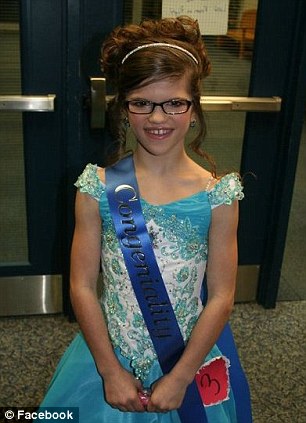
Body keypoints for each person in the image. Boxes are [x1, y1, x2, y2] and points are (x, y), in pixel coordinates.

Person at [40, 16, 251, 423]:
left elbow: (222, 296)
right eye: (142, 103)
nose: (158, 118)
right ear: (124, 106)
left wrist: (182, 376)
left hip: (186, 359)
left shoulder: (219, 195)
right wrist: (109, 370)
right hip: (108, 356)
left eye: (174, 102)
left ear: (194, 109)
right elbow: (82, 285)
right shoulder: (96, 188)